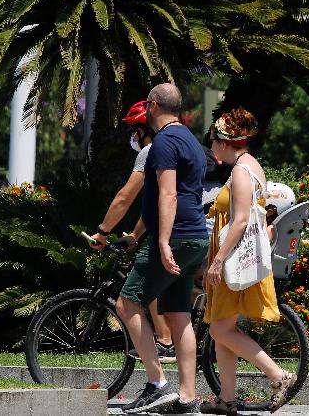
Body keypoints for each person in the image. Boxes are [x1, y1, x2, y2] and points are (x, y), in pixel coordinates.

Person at [114, 83, 211, 414]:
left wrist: (162, 241)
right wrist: (143, 234)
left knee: (127, 303)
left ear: (153, 106)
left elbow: (168, 194)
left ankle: (158, 384)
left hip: (176, 237)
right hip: (196, 236)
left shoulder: (164, 143)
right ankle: (186, 398)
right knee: (179, 314)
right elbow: (176, 196)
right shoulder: (192, 142)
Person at [202, 108, 296, 415]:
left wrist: (217, 261)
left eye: (213, 140)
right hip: (238, 259)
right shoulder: (247, 166)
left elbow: (241, 220)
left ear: (226, 142)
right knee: (223, 329)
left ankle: (277, 375)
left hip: (233, 260)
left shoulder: (242, 172)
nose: (211, 145)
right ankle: (226, 398)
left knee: (219, 330)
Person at [88, 100, 176, 363]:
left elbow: (125, 197)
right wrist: (135, 236)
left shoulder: (150, 152)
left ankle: (165, 341)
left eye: (132, 132)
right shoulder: (174, 144)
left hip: (177, 229)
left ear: (141, 131)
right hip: (192, 224)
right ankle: (169, 340)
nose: (131, 138)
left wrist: (102, 232)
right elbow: (153, 207)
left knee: (144, 280)